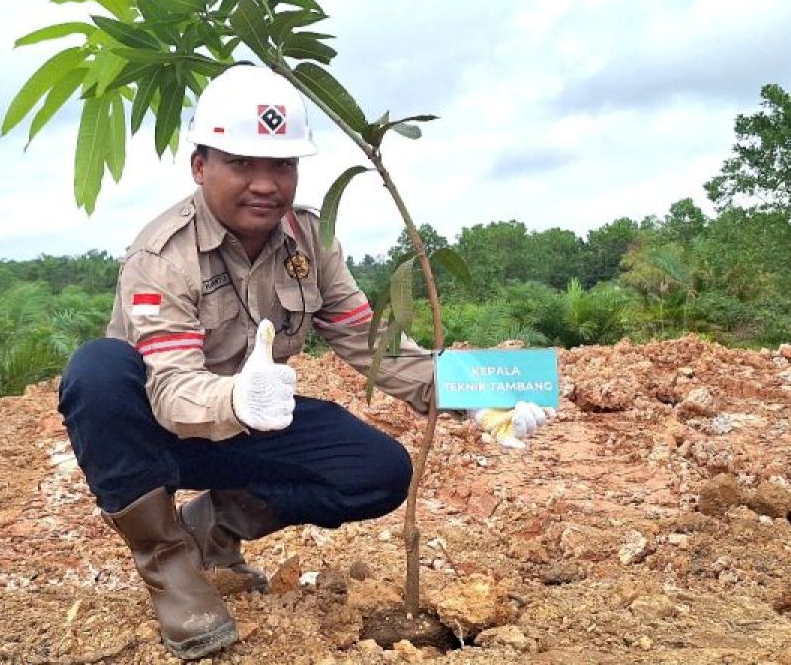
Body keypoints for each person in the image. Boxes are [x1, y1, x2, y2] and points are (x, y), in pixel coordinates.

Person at [57, 65, 548, 660]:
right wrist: (235, 398)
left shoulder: (309, 241)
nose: (265, 184)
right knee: (97, 371)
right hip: (162, 434)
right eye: (241, 163)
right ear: (199, 166)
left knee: (379, 470)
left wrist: (469, 390)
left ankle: (210, 530)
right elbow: (169, 387)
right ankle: (170, 566)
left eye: (281, 166)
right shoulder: (162, 256)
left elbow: (368, 340)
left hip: (255, 423)